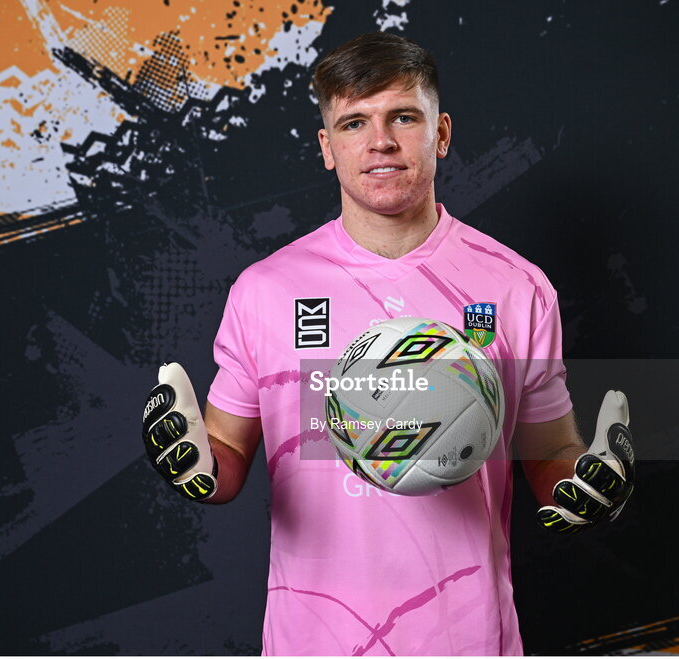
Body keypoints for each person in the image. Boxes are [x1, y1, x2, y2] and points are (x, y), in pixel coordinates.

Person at [141, 32, 634, 655]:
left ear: (442, 132)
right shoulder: (265, 290)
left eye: (403, 116)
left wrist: (587, 484)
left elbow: (550, 451)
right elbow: (224, 459)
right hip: (313, 642)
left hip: (469, 639)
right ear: (327, 147)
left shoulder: (516, 286)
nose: (380, 141)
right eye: (354, 122)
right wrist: (192, 463)